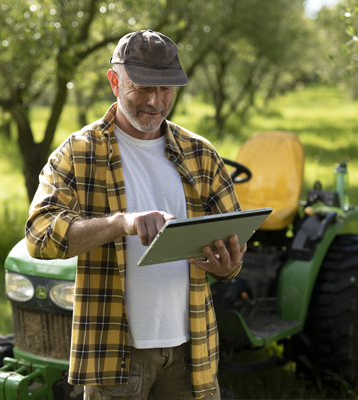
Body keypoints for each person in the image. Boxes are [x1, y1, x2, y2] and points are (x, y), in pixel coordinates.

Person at [25, 29, 246, 400]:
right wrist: (119, 223)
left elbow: (233, 243)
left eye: (166, 89)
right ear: (115, 81)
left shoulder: (201, 154)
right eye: (143, 87)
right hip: (115, 352)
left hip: (193, 349)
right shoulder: (79, 152)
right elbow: (38, 235)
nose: (156, 101)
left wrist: (228, 267)